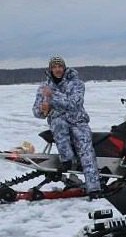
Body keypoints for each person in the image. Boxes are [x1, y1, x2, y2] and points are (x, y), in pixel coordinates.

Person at [32, 56, 103, 199]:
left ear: (64, 68)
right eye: (54, 67)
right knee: (58, 123)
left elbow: (74, 104)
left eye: (60, 66)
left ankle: (94, 189)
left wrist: (52, 96)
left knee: (87, 152)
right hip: (59, 125)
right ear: (50, 70)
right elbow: (36, 111)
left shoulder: (76, 84)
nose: (57, 69)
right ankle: (67, 160)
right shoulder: (43, 87)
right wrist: (43, 109)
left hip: (78, 122)